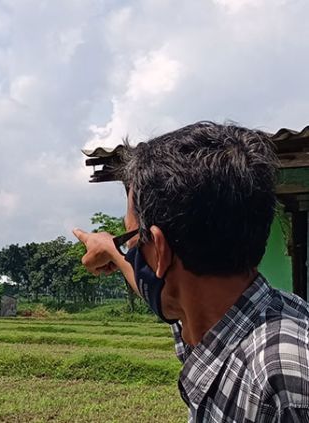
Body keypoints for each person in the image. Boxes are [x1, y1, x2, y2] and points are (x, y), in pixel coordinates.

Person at [73, 122, 309, 422]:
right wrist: (111, 249)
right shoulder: (224, 323)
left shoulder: (286, 383)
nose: (131, 257)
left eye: (131, 243)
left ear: (158, 251)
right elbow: (162, 289)